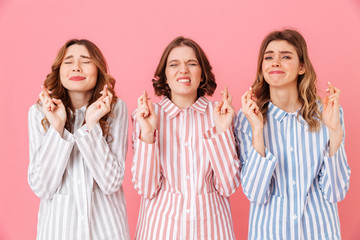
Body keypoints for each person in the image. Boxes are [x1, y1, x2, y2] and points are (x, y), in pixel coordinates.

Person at [235, 29, 351, 239]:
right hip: (269, 233)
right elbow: (254, 193)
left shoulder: (328, 113)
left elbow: (337, 192)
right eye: (268, 57)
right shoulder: (247, 118)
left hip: (320, 232)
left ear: (301, 67)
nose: (275, 62)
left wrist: (334, 131)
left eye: (286, 56)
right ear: (262, 67)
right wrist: (258, 131)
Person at [132, 36, 241, 239]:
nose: (183, 70)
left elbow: (228, 186)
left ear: (202, 75)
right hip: (160, 230)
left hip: (212, 230)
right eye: (174, 64)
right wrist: (148, 134)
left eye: (192, 63)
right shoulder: (146, 114)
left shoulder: (220, 114)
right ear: (164, 76)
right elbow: (146, 189)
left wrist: (222, 130)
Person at [28, 39, 130, 239]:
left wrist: (91, 124)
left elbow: (111, 183)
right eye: (68, 62)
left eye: (85, 61)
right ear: (59, 70)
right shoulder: (39, 112)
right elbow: (42, 187)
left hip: (107, 230)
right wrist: (57, 127)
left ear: (98, 69)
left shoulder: (116, 109)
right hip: (58, 231)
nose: (76, 67)